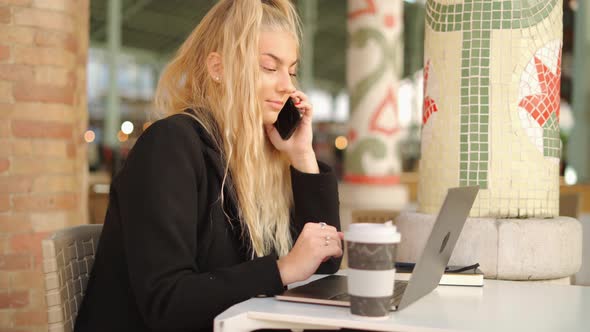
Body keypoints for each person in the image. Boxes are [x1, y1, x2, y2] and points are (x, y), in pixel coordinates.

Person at [75, 0, 343, 331]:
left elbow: (325, 262)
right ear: (218, 68)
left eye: (291, 70)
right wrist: (282, 269)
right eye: (269, 68)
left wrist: (301, 155)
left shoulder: (258, 157)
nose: (288, 85)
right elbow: (167, 302)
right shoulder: (170, 145)